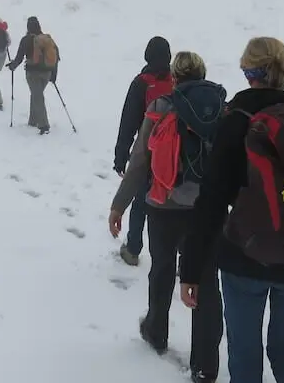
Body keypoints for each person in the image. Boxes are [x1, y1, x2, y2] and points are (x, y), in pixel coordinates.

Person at [179, 37, 284, 383]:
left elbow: (211, 199)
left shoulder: (237, 120)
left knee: (244, 351)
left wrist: (190, 268)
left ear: (249, 72)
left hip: (245, 257)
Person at [108, 51, 226, 383]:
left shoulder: (161, 107)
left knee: (161, 269)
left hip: (164, 205)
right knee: (206, 281)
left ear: (175, 77)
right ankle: (205, 365)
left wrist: (119, 205)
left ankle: (156, 330)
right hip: (207, 210)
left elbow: (140, 161)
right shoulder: (221, 109)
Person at [113, 36, 174, 266]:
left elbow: (128, 122)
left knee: (140, 201)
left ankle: (133, 249)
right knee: (174, 205)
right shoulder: (178, 80)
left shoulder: (141, 83)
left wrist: (121, 156)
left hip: (147, 153)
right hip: (175, 154)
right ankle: (179, 257)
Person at [7, 16, 59, 135]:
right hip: (47, 73)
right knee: (36, 95)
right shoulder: (47, 39)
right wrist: (53, 75)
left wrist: (12, 66)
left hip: (33, 73)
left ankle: (44, 125)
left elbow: (19, 58)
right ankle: (33, 120)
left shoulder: (26, 39)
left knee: (37, 96)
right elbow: (56, 57)